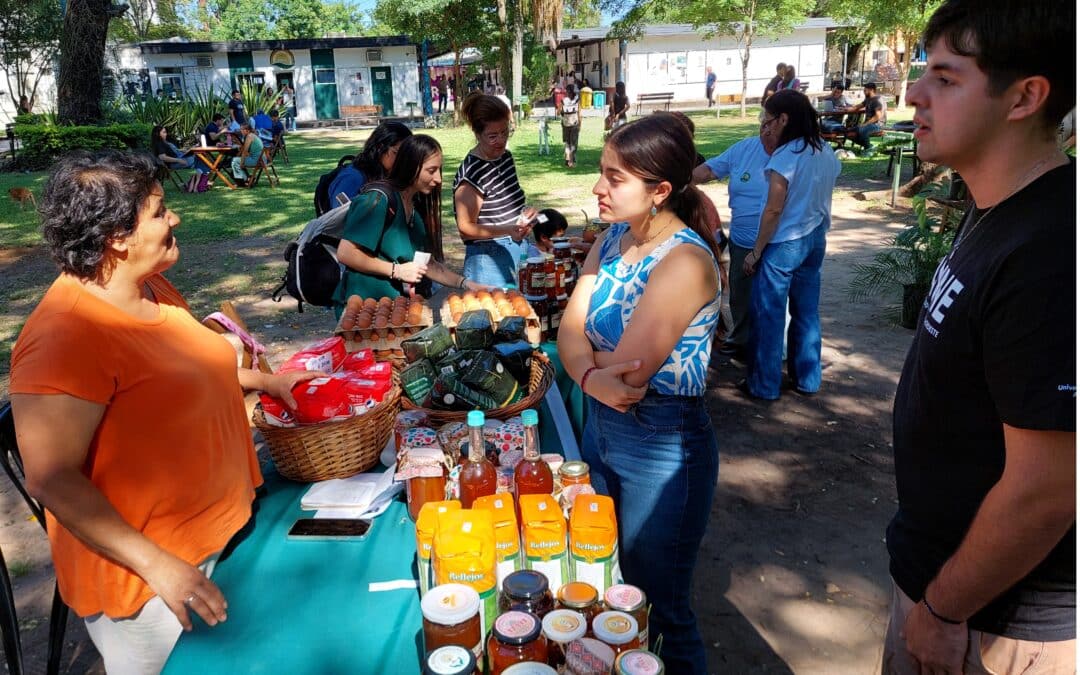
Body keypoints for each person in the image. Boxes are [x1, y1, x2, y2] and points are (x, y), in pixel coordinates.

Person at [8, 150, 321, 674]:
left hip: (225, 535)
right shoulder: (64, 337)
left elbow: (180, 375)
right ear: (116, 236)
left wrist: (268, 380)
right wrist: (160, 567)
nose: (174, 218)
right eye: (159, 210)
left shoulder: (147, 286)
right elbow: (51, 478)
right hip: (156, 583)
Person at [883, 2, 1076, 674]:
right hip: (946, 584)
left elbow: (1047, 488)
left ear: (1025, 96)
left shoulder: (1052, 251)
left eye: (945, 76)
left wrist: (942, 608)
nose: (913, 94)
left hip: (993, 617)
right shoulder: (991, 206)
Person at [557, 113, 722, 674]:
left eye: (615, 178)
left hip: (661, 445)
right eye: (602, 172)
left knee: (660, 609)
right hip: (601, 429)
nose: (598, 188)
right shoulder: (610, 241)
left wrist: (588, 368)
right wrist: (586, 376)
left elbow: (631, 370)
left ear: (661, 191)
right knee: (611, 587)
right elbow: (567, 328)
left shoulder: (685, 260)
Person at [740, 89, 840, 400]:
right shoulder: (825, 150)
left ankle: (764, 385)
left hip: (785, 242)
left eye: (768, 121)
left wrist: (756, 252)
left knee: (769, 313)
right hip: (815, 239)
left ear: (784, 119)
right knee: (806, 311)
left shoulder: (785, 156)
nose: (766, 128)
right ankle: (808, 379)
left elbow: (773, 209)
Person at [333, 134, 484, 314]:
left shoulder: (415, 208)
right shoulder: (378, 200)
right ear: (411, 166)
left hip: (394, 307)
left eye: (439, 170)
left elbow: (427, 264)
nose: (438, 179)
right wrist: (396, 270)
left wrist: (466, 283)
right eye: (431, 170)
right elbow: (346, 252)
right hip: (362, 308)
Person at [693, 131, 771, 361]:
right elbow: (707, 170)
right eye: (763, 123)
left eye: (771, 122)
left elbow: (716, 239)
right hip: (742, 239)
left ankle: (771, 353)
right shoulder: (744, 149)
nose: (765, 129)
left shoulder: (794, 153)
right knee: (740, 295)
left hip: (780, 240)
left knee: (773, 298)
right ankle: (741, 342)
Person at [453, 93, 536, 287]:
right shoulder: (473, 173)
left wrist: (525, 214)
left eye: (505, 132)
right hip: (487, 260)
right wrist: (508, 230)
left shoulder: (505, 157)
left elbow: (506, 203)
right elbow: (466, 228)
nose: (501, 140)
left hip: (514, 250)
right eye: (492, 136)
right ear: (477, 134)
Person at [328, 122, 412, 205]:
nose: (403, 160)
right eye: (397, 153)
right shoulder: (353, 177)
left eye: (407, 155)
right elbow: (340, 215)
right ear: (380, 147)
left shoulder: (391, 175)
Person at [150, 125, 203, 193]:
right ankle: (193, 185)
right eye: (164, 132)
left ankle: (192, 185)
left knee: (199, 160)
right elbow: (162, 157)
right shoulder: (160, 144)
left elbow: (176, 151)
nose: (166, 134)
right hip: (173, 163)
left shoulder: (164, 142)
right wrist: (179, 160)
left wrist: (189, 150)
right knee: (200, 161)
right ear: (158, 134)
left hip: (178, 160)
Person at [851, 82, 886, 155]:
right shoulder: (868, 99)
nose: (864, 92)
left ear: (872, 90)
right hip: (869, 124)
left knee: (862, 130)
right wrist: (847, 109)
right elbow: (859, 106)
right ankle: (870, 146)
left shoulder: (877, 100)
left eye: (865, 90)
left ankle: (868, 150)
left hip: (878, 125)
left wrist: (865, 124)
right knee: (850, 130)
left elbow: (878, 116)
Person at [559, 83, 581, 168]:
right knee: (574, 142)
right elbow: (579, 113)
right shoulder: (577, 100)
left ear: (567, 92)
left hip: (565, 123)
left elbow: (558, 112)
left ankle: (567, 158)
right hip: (574, 123)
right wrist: (580, 124)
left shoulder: (563, 100)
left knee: (567, 142)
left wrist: (562, 113)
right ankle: (571, 160)